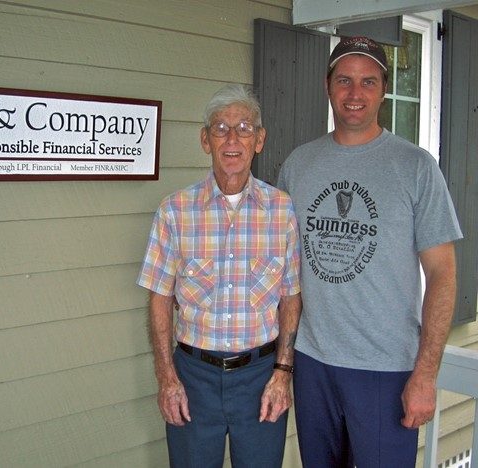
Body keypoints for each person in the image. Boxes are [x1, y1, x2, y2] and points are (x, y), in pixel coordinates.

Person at [277, 36, 463, 467]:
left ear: (382, 89)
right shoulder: (298, 165)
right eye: (344, 80)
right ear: (328, 86)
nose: (354, 93)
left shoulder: (416, 167)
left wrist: (425, 375)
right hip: (313, 362)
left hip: (387, 369)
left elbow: (442, 275)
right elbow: (280, 266)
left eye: (368, 82)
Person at [137, 83, 302, 467]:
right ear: (205, 140)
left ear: (259, 140)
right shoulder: (174, 212)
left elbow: (290, 297)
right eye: (220, 128)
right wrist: (166, 377)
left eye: (244, 128)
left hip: (261, 378)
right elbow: (159, 297)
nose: (232, 139)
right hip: (193, 379)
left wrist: (282, 374)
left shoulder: (281, 211)